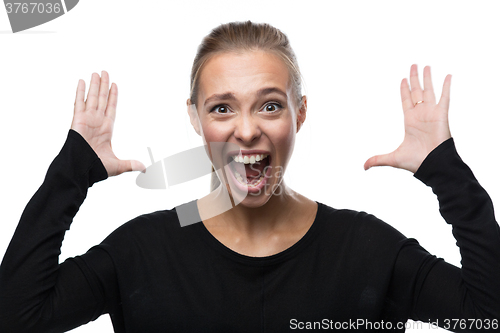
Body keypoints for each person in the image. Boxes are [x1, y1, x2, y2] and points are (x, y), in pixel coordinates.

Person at [0, 20, 499, 332]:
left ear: (299, 114)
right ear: (195, 119)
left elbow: (487, 316)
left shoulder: (368, 249)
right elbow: (18, 317)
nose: (246, 130)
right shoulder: (141, 251)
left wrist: (447, 173)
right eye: (221, 108)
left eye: (269, 105)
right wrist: (71, 174)